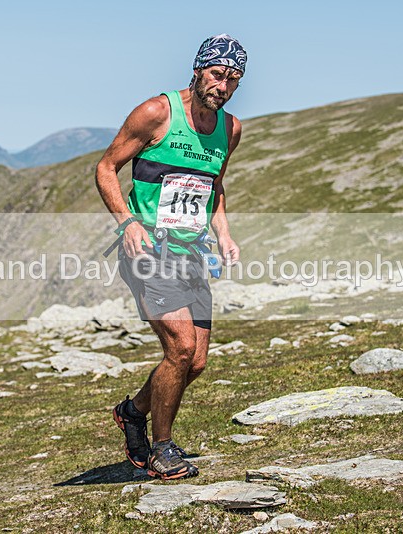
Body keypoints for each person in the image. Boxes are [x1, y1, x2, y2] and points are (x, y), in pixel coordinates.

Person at [95, 34, 246, 480]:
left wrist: (224, 233)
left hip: (191, 253)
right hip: (148, 250)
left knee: (194, 362)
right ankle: (162, 449)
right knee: (179, 347)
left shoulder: (229, 128)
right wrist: (128, 222)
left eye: (234, 80)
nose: (223, 86)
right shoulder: (156, 113)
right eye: (218, 74)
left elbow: (213, 187)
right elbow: (106, 168)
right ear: (198, 69)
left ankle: (133, 411)